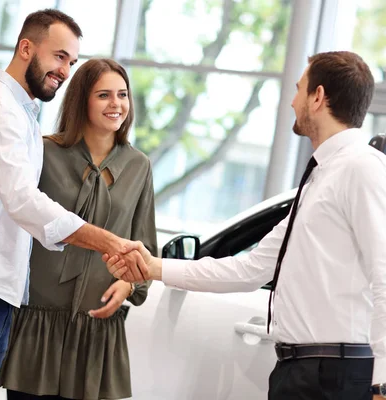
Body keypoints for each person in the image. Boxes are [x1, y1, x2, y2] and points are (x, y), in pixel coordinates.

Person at [106, 51, 386, 400]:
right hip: (298, 370)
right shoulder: (322, 177)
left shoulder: (363, 168)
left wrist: (381, 385)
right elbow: (252, 267)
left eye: (299, 89)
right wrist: (153, 267)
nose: (292, 101)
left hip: (335, 373)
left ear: (318, 97)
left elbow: (384, 275)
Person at [0, 10, 146, 400]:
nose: (65, 69)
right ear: (26, 47)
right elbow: (24, 200)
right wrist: (110, 242)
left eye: (71, 62)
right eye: (59, 56)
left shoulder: (22, 113)